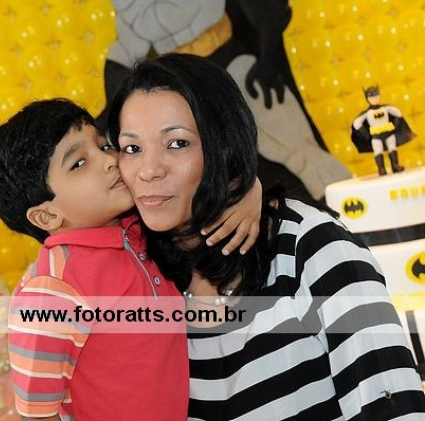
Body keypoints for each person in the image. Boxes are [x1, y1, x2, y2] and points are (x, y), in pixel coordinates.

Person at [107, 53, 425, 420]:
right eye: (132, 148)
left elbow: (394, 406)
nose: (148, 170)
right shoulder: (138, 274)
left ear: (224, 145)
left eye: (177, 143)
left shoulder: (311, 247)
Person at [0, 98, 261, 420]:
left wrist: (251, 193)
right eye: (79, 163)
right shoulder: (51, 289)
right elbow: (37, 412)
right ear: (47, 216)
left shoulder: (143, 224)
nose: (109, 160)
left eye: (103, 145)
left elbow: (206, 191)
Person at [351, 85, 415, 176]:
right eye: (371, 97)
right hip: (376, 135)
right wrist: (365, 133)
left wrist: (396, 124)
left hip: (388, 133)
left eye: (376, 96)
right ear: (367, 99)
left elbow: (397, 112)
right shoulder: (367, 113)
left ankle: (395, 165)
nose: (374, 99)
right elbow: (357, 123)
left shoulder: (385, 108)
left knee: (392, 147)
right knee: (378, 150)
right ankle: (381, 169)